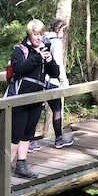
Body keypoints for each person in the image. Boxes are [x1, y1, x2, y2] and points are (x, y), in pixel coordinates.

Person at [8, 19, 59, 179]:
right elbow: (19, 69)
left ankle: (21, 165)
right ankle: (5, 167)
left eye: (41, 34)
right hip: (20, 99)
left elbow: (55, 74)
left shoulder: (45, 51)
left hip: (37, 99)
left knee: (27, 134)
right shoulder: (20, 50)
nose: (38, 37)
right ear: (29, 34)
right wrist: (38, 57)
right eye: (35, 34)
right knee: (16, 135)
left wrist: (50, 61)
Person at [42, 18, 75, 149]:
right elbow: (57, 63)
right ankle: (59, 138)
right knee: (57, 109)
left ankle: (30, 141)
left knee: (35, 110)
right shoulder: (56, 42)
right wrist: (63, 81)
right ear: (59, 30)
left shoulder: (42, 38)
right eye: (63, 31)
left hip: (40, 80)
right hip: (52, 81)